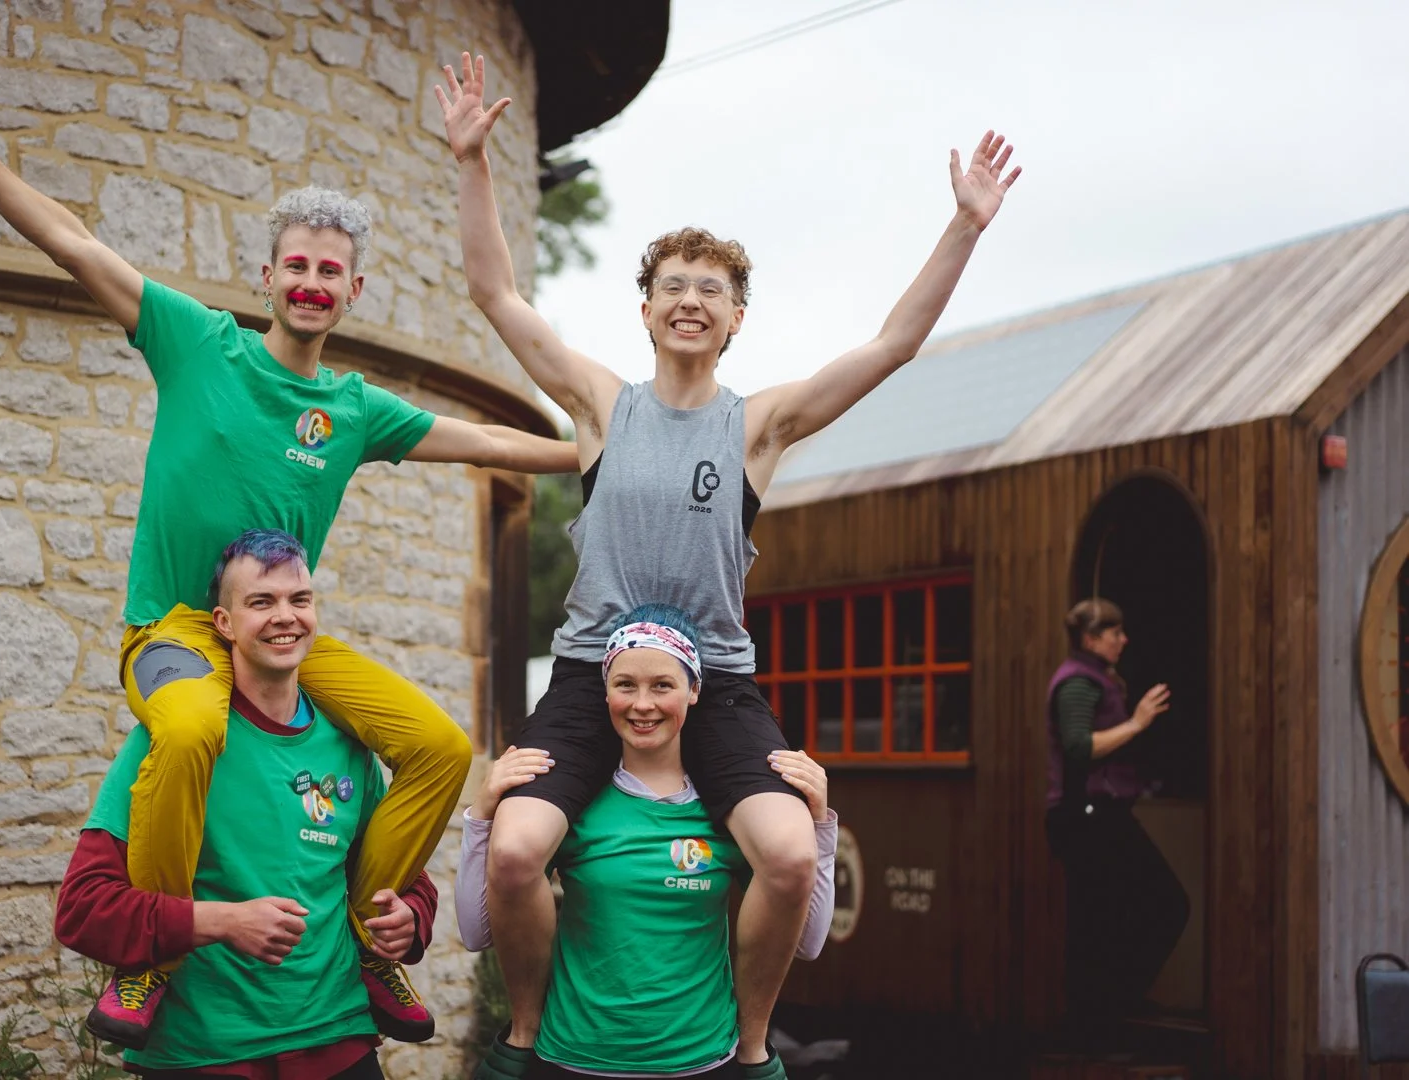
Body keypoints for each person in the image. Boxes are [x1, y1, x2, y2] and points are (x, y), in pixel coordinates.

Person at [0, 56, 577, 1047]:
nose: (311, 282)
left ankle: (373, 939)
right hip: (172, 631)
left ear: (352, 292)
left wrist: (604, 443)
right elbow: (71, 241)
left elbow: (495, 443)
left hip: (277, 633)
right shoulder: (194, 341)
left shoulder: (353, 410)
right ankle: (150, 957)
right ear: (267, 276)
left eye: (330, 271)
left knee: (438, 745)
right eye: (296, 265)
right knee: (194, 725)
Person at [436, 51, 1021, 1077]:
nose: (692, 301)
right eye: (673, 287)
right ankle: (527, 1035)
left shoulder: (759, 429)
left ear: (737, 316)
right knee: (521, 849)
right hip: (588, 677)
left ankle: (749, 1046)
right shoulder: (600, 406)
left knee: (793, 855)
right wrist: (473, 161)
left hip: (716, 686)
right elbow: (495, 292)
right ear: (649, 310)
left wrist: (964, 227)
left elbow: (890, 347)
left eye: (712, 289)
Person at [57, 529, 435, 1078]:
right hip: (203, 1054)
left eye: (299, 599)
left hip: (339, 1043)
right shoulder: (173, 740)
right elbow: (83, 908)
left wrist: (411, 916)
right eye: (261, 601)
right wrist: (219, 921)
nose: (285, 616)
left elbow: (401, 873)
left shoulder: (349, 743)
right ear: (224, 624)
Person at [458, 606, 837, 1080]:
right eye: (625, 685)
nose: (642, 704)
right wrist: (482, 816)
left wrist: (817, 826)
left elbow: (808, 942)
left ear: (694, 690)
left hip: (702, 1064)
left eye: (662, 685)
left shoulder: (734, 814)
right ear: (606, 692)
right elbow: (476, 932)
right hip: (572, 1061)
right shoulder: (571, 807)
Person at [1045, 599, 1190, 1043]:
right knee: (1164, 904)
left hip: (1099, 812)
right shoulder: (1077, 684)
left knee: (1108, 915)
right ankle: (1102, 1014)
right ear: (1091, 639)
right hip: (1088, 815)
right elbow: (1078, 747)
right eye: (1115, 633)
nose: (1123, 640)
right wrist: (1138, 722)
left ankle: (1106, 1011)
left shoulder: (1097, 679)